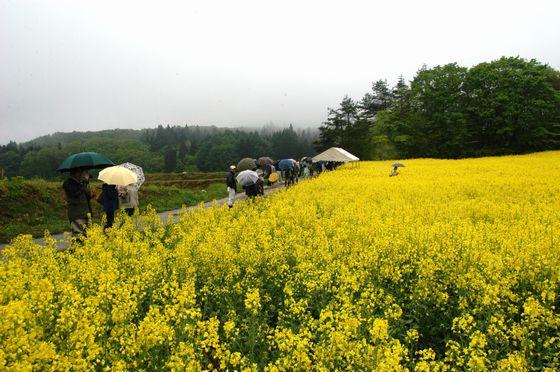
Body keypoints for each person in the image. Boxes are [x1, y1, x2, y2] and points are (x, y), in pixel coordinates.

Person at [62, 169, 92, 238]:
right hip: (77, 213)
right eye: (82, 172)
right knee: (79, 235)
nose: (83, 174)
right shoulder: (69, 183)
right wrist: (84, 183)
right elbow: (75, 194)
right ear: (77, 173)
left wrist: (88, 191)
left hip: (84, 212)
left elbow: (86, 197)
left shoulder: (80, 183)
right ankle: (75, 248)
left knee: (87, 235)